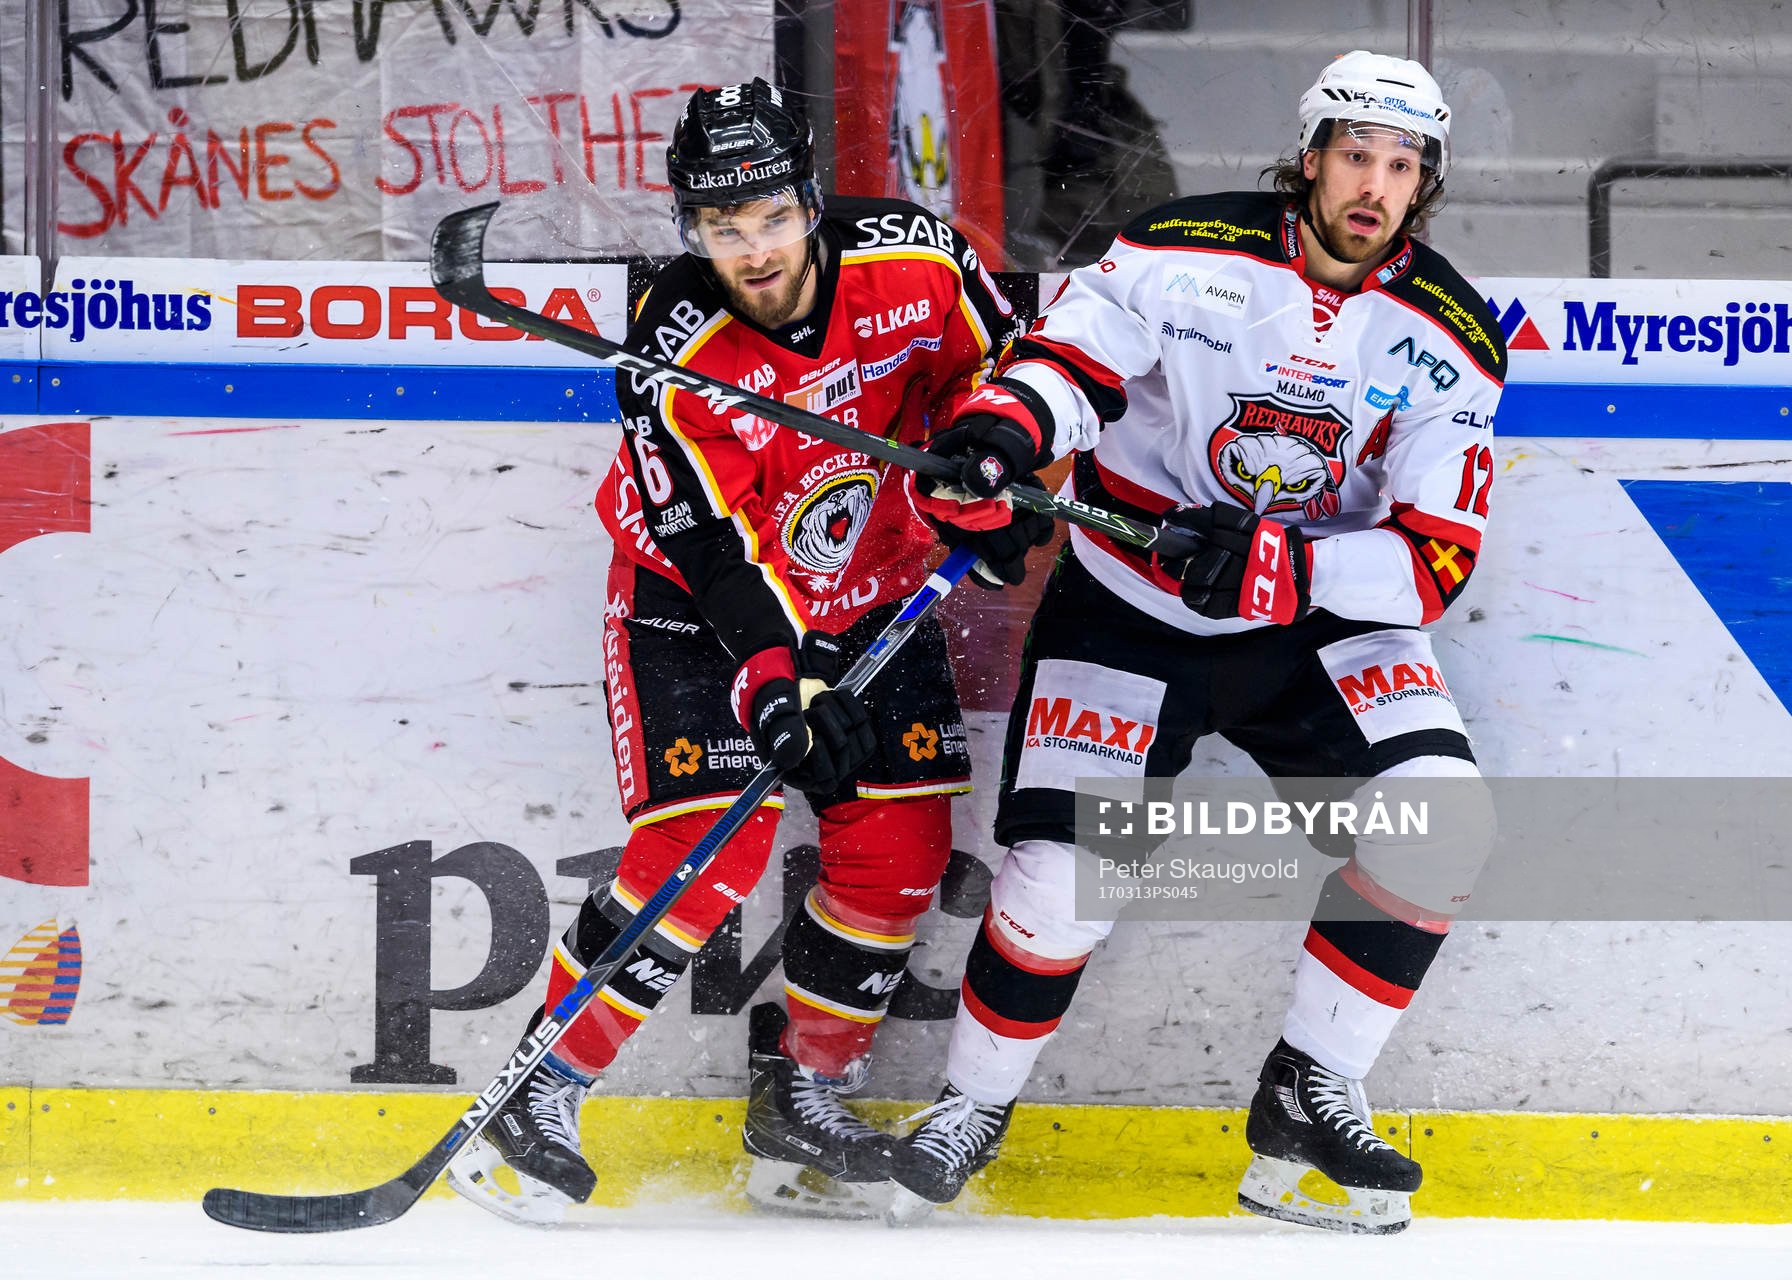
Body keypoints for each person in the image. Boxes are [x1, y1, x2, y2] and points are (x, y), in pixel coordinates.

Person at [896, 50, 1505, 1235]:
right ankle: (967, 1107)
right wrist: (999, 442)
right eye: (1355, 156)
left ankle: (1304, 1089)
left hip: (1319, 626)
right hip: (1133, 604)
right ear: (1311, 155)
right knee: (1063, 879)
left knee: (1441, 819)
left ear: (1420, 183)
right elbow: (1066, 367)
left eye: (1400, 166)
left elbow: (1434, 555)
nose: (1373, 187)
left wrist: (1288, 564)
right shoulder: (1180, 248)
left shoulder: (1451, 331)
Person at [445, 78, 1046, 1226]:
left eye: (772, 216)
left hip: (875, 585)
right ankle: (541, 1091)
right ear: (690, 228)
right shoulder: (672, 339)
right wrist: (776, 673)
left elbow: (1001, 369)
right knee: (704, 845)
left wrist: (989, 465)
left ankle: (800, 1104)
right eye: (723, 228)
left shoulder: (915, 260)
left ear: (810, 199)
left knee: (900, 847)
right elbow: (709, 539)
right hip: (695, 604)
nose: (754, 250)